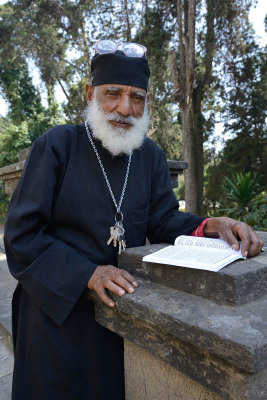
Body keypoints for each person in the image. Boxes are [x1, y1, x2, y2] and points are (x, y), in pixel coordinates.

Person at [4, 40, 263, 400]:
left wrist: (210, 225)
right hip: (54, 320)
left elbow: (163, 219)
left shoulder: (150, 156)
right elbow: (21, 236)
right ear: (90, 93)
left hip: (116, 317)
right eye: (113, 94)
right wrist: (88, 273)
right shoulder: (57, 146)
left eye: (137, 97)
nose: (125, 108)